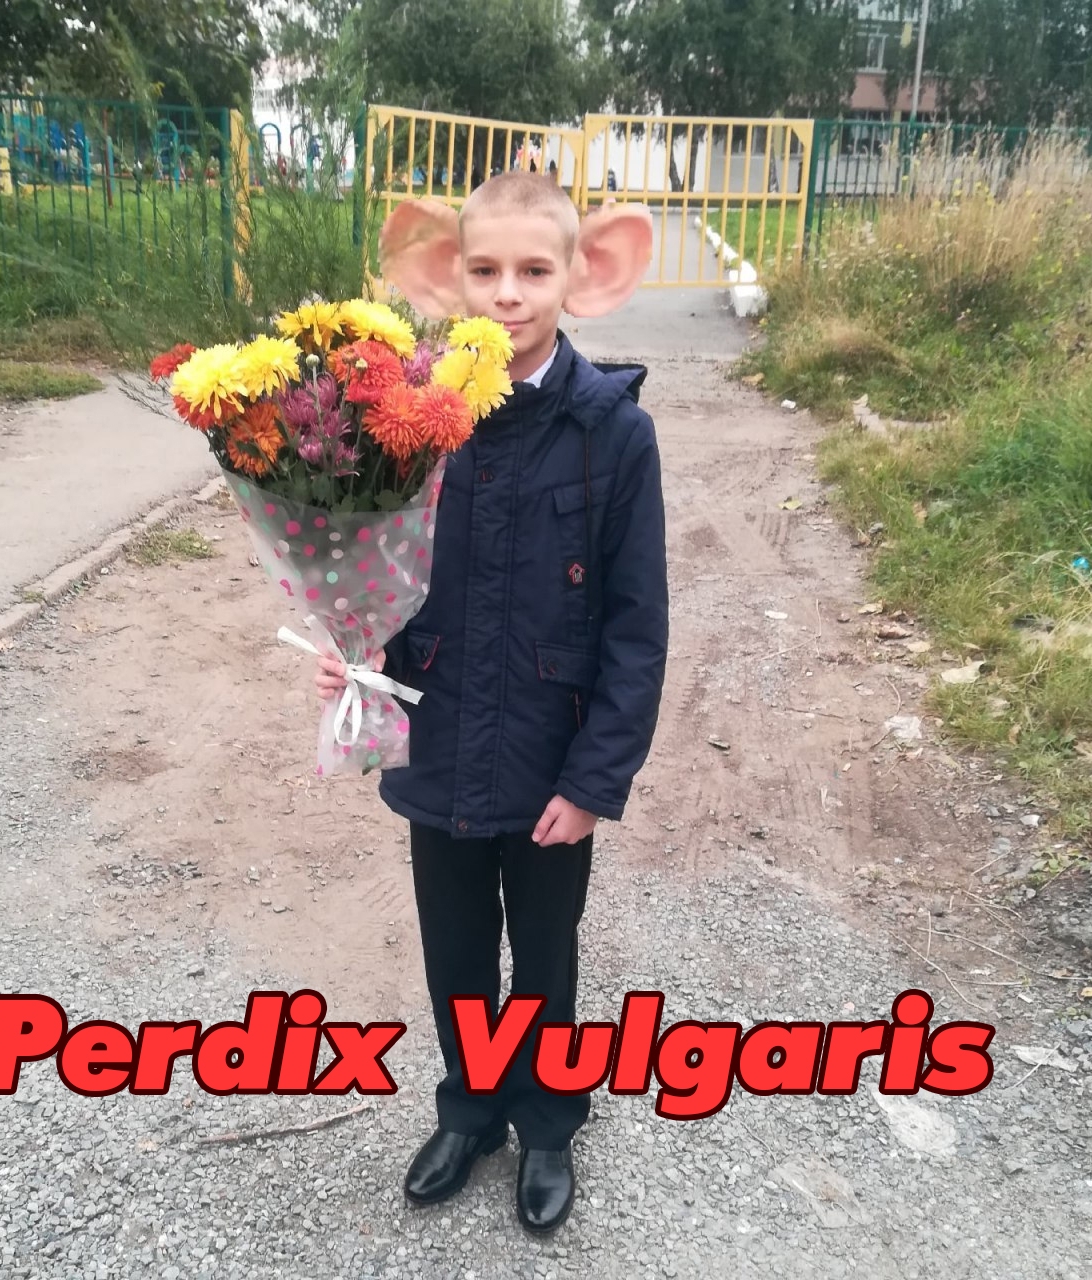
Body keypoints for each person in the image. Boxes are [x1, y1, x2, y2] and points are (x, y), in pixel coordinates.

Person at [315, 172, 668, 1234]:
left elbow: (637, 628)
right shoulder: (411, 424)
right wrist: (355, 655)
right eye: (485, 269)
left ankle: (548, 1123)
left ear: (581, 275)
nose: (507, 293)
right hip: (438, 740)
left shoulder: (613, 435)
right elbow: (379, 572)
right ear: (447, 274)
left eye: (532, 270)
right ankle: (469, 1110)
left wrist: (595, 781)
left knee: (545, 957)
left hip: (552, 759)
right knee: (457, 952)